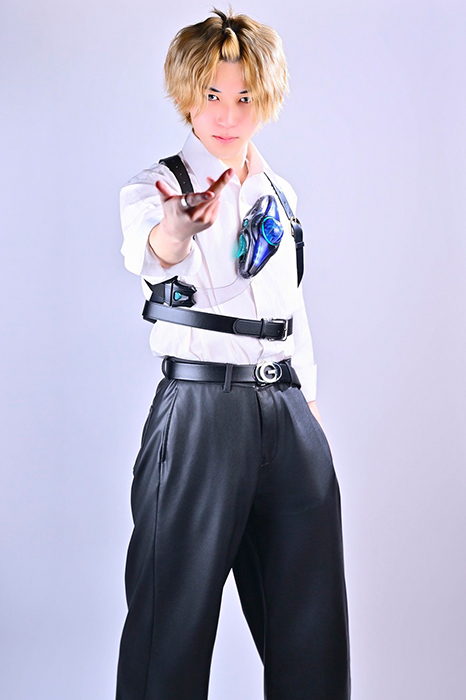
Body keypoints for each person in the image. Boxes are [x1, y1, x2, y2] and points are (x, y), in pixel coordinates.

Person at [116, 7, 351, 700]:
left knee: (311, 626)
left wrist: (307, 407)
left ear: (266, 99)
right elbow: (154, 250)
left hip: (287, 409)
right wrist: (176, 227)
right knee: (171, 620)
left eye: (245, 96)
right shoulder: (155, 188)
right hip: (201, 412)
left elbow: (291, 308)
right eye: (213, 94)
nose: (227, 113)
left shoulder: (281, 194)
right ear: (187, 95)